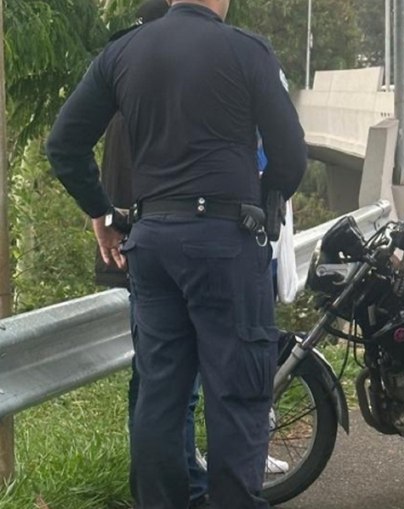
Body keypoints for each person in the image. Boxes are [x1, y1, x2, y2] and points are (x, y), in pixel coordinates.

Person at [46, 0, 307, 506]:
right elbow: (291, 154)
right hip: (226, 243)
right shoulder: (246, 51)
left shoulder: (123, 51)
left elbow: (64, 144)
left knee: (160, 396)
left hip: (153, 240)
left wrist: (106, 214)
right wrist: (262, 201)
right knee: (237, 392)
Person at [95, 2, 211, 506]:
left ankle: (165, 482)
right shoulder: (153, 91)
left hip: (129, 244)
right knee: (172, 386)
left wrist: (106, 224)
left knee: (154, 380)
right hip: (153, 244)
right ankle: (180, 486)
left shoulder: (120, 80)